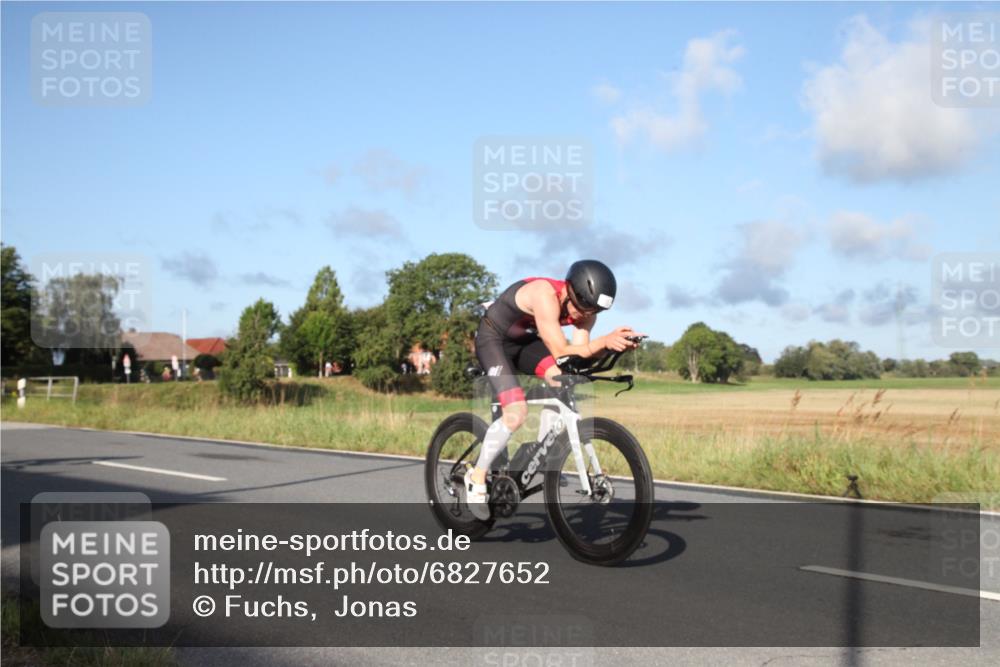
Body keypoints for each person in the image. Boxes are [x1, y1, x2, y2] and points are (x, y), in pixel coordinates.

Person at [466, 259, 642, 519]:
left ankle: (537, 452)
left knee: (563, 379)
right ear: (569, 291)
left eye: (594, 310)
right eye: (583, 307)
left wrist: (609, 346)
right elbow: (561, 350)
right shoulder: (544, 294)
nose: (586, 314)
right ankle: (476, 477)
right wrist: (604, 340)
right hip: (494, 340)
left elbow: (575, 359)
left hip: (525, 342)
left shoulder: (587, 313)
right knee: (516, 412)